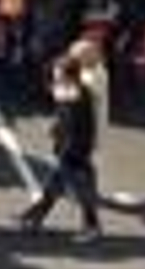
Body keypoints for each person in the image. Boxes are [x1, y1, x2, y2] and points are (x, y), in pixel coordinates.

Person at [20, 57, 101, 240]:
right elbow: (62, 115)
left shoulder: (78, 97)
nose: (54, 74)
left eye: (58, 72)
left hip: (74, 152)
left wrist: (64, 150)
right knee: (63, 187)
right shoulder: (71, 91)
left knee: (71, 189)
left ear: (68, 75)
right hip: (73, 151)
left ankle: (90, 227)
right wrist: (56, 128)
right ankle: (35, 217)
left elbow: (77, 129)